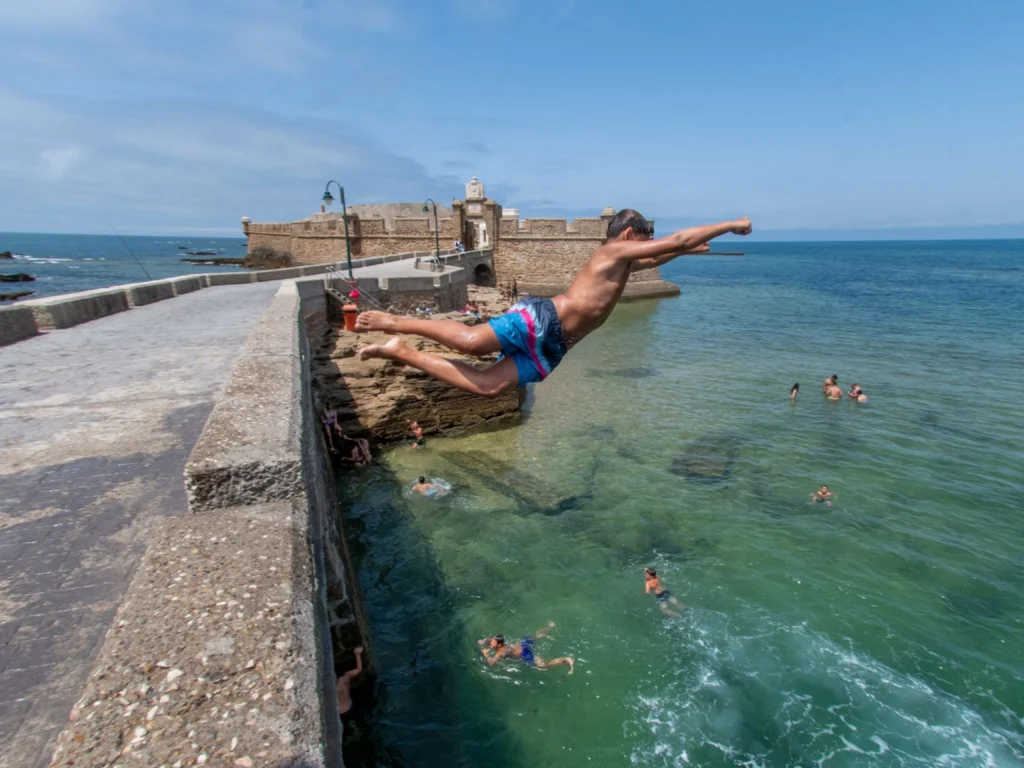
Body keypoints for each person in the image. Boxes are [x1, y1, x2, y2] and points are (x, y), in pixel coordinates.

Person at [355, 211, 751, 396]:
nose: (649, 247)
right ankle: (395, 323)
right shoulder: (612, 252)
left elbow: (659, 256)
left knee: (489, 387)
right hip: (543, 320)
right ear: (629, 235)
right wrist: (730, 224)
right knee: (471, 342)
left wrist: (685, 251)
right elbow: (675, 240)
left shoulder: (624, 263)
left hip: (555, 347)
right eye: (646, 240)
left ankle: (402, 352)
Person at [479, 622, 574, 673]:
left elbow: (491, 663)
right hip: (521, 644)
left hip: (524, 653)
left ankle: (565, 660)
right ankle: (550, 626)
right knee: (536, 637)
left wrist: (486, 655)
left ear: (499, 645)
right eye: (491, 642)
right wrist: (482, 641)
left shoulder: (500, 652)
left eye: (493, 643)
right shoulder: (498, 641)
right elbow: (489, 639)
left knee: (542, 665)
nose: (491, 643)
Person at [335, 647, 364, 716]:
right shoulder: (346, 676)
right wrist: (357, 654)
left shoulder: (335, 687)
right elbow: (359, 669)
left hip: (340, 711)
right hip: (349, 705)